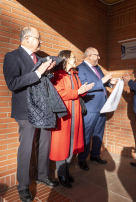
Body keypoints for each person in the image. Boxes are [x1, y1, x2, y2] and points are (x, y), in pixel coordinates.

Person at [3, 27, 58, 202]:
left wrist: (49, 72)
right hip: (26, 111)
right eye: (38, 38)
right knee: (26, 148)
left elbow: (44, 82)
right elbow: (13, 83)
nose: (41, 42)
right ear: (27, 39)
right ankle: (23, 186)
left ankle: (42, 175)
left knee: (45, 143)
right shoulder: (12, 56)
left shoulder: (41, 59)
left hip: (43, 109)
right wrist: (38, 72)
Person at [49, 50, 94, 188]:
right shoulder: (57, 75)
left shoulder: (74, 74)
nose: (76, 59)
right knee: (62, 146)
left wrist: (84, 89)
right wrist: (77, 92)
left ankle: (66, 172)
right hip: (64, 116)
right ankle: (61, 174)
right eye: (73, 57)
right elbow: (58, 93)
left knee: (71, 144)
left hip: (75, 114)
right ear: (66, 59)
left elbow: (79, 90)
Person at [77, 47, 118, 170]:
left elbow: (103, 82)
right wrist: (103, 81)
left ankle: (95, 155)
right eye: (97, 55)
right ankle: (82, 159)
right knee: (87, 134)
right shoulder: (81, 68)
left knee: (99, 133)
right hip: (90, 107)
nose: (99, 58)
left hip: (102, 106)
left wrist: (111, 83)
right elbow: (85, 86)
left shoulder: (98, 68)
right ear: (89, 56)